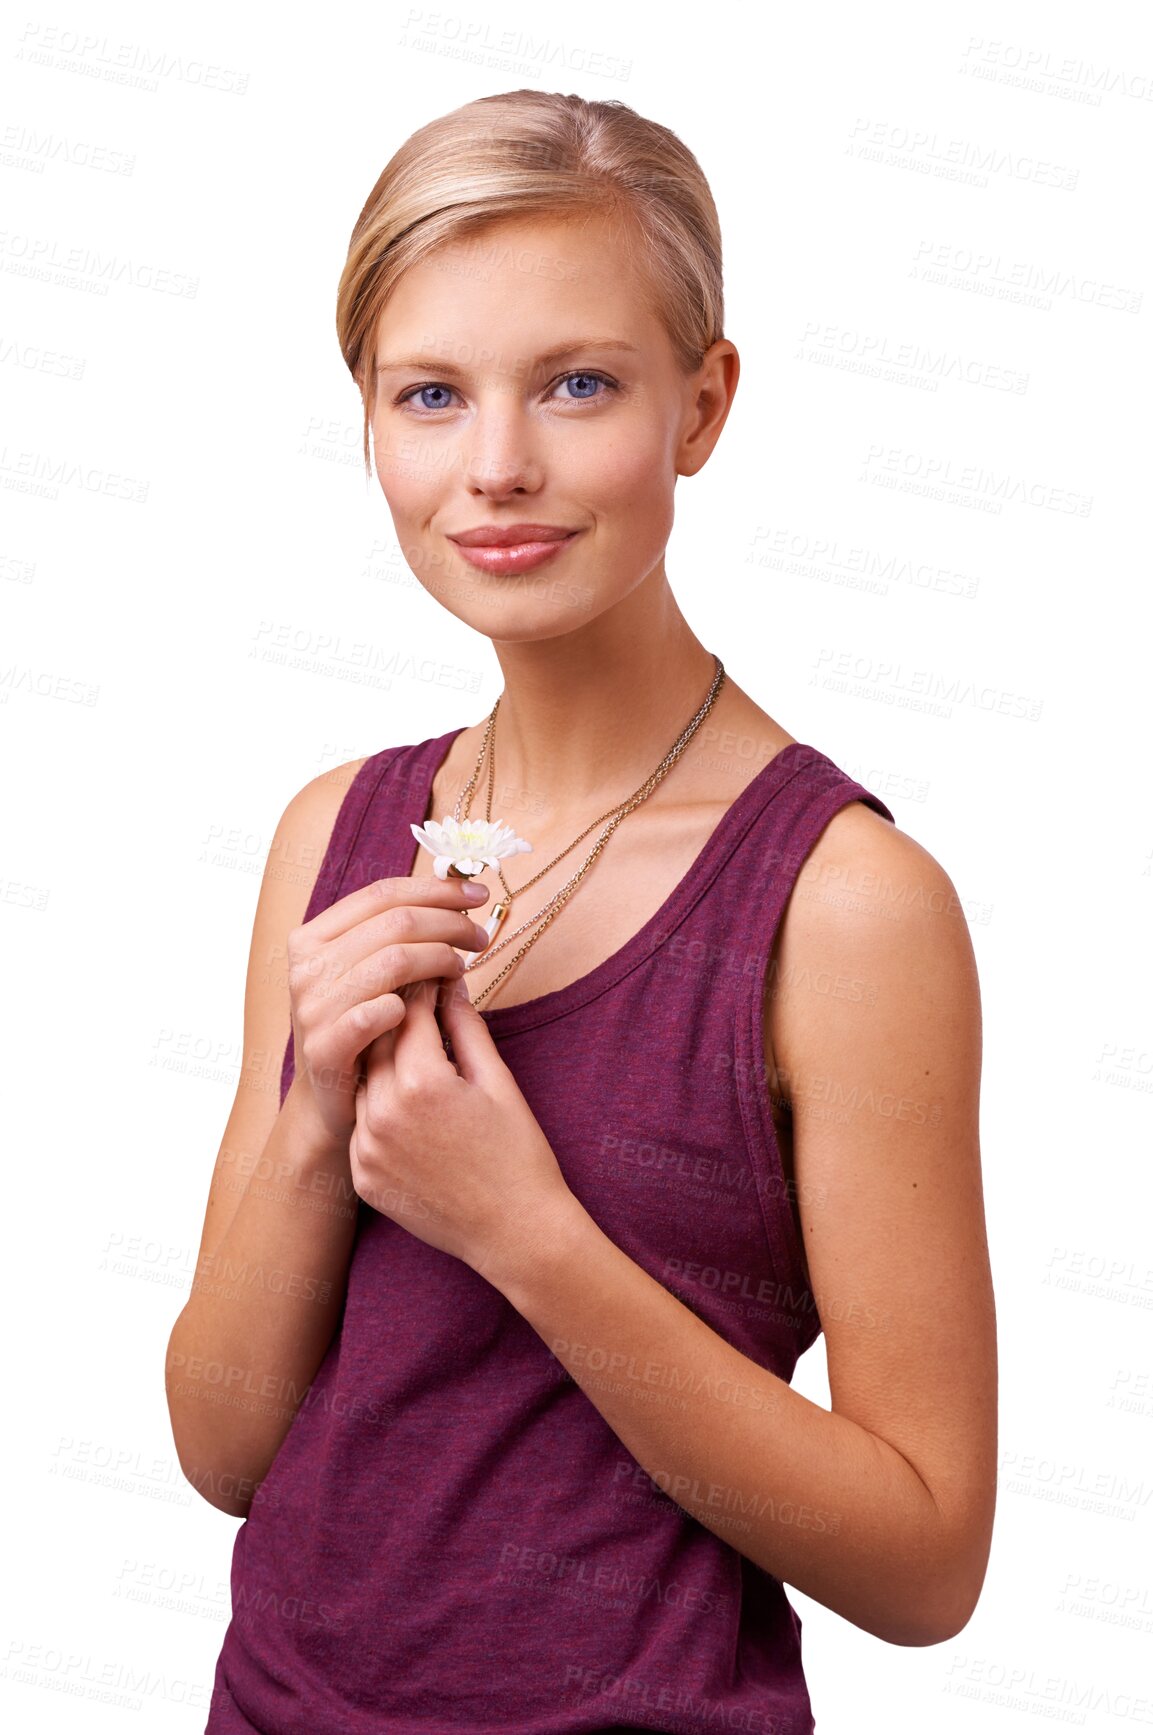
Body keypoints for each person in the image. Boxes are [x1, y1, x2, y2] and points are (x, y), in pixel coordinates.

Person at [167, 89, 997, 1735]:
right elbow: (222, 1448)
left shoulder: (843, 906)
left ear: (701, 406)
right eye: (429, 395)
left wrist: (528, 1238)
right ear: (367, 422)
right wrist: (311, 1123)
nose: (495, 469)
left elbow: (924, 1563)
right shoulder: (330, 834)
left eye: (577, 385)